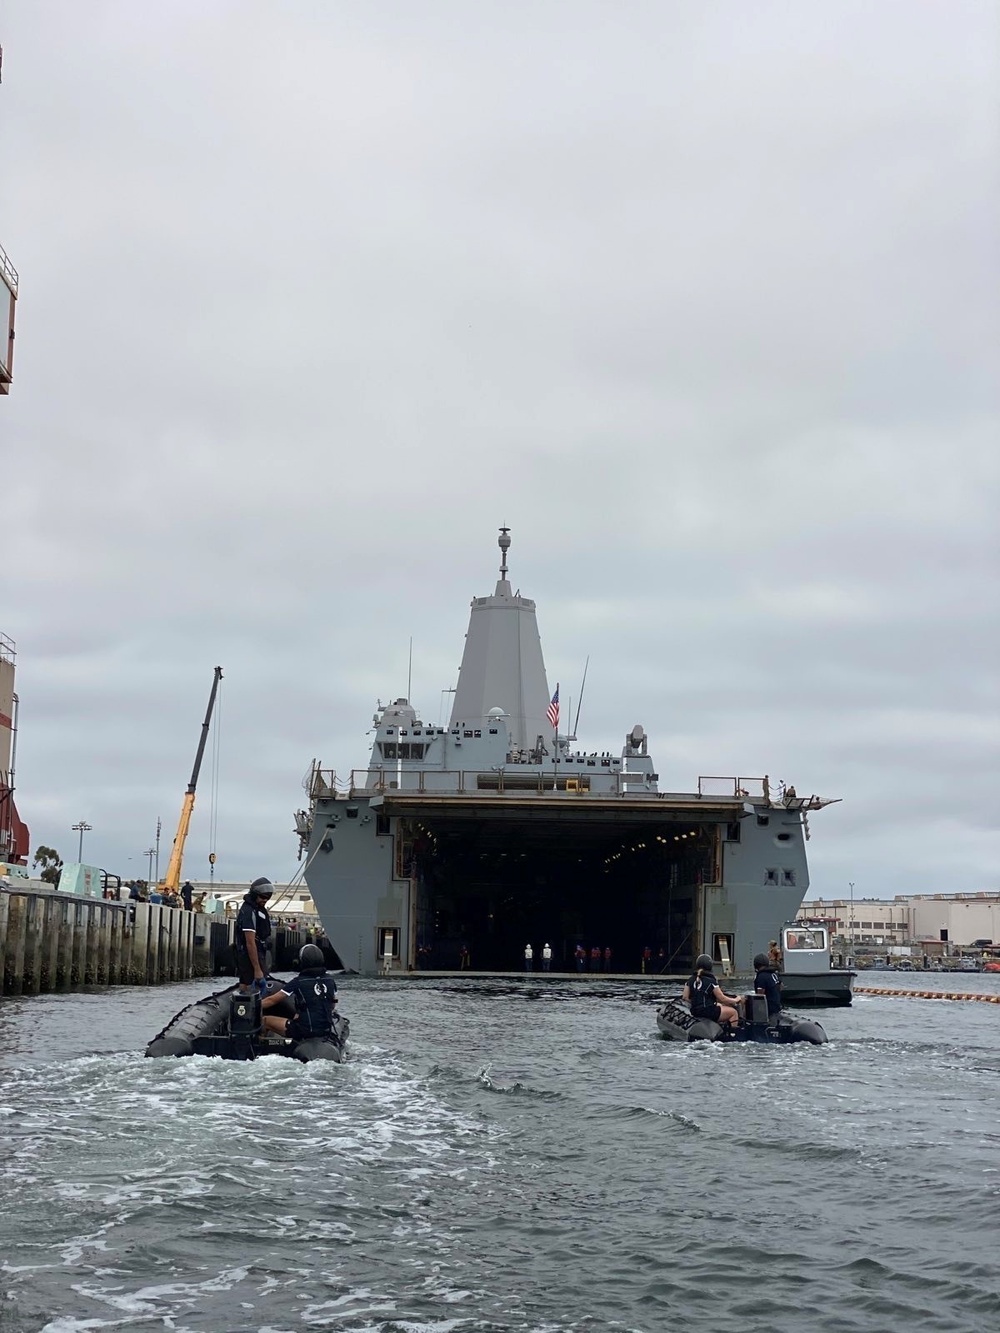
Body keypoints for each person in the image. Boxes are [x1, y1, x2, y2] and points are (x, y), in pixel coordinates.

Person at [261, 943, 338, 1041]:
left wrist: (253, 1005)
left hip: (304, 1030)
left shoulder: (298, 982)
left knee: (264, 1020)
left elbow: (272, 1000)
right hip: (325, 1029)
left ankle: (260, 1046)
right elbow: (332, 1005)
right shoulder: (330, 980)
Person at [683, 953, 742, 1031]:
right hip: (708, 1012)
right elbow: (722, 998)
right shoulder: (711, 981)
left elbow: (685, 997)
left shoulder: (690, 980)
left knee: (719, 1005)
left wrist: (697, 1002)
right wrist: (736, 1000)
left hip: (695, 1011)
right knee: (733, 1012)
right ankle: (732, 1034)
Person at [235, 877, 274, 994]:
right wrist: (257, 969)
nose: (265, 900)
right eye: (262, 897)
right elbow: (250, 942)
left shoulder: (258, 909)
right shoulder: (248, 912)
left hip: (260, 951)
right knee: (249, 984)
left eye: (268, 897)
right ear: (254, 895)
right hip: (249, 956)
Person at [753, 952, 782, 1022]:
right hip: (777, 1007)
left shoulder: (761, 976)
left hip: (769, 1010)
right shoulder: (774, 974)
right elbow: (781, 987)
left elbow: (760, 997)